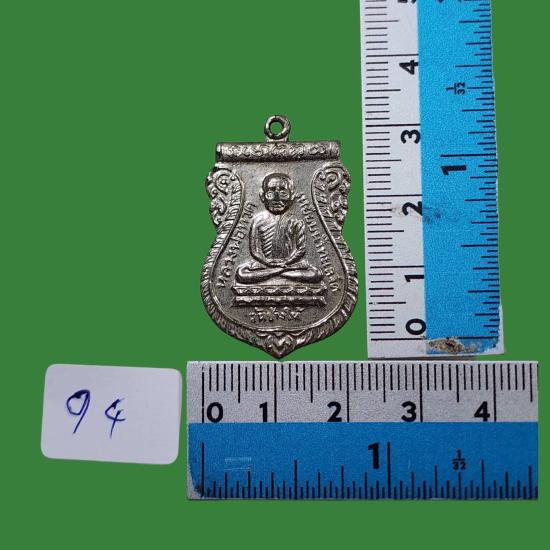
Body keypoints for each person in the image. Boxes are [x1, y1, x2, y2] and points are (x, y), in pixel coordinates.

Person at [235, 173, 322, 284]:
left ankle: (274, 273)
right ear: (262, 196)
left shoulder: (296, 221)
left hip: (290, 264)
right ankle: (280, 272)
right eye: (271, 193)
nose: (277, 198)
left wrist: (287, 261)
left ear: (292, 196)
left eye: (283, 193)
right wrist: (267, 262)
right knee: (241, 274)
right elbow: (255, 251)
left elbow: (301, 249)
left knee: (315, 274)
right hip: (264, 265)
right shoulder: (258, 221)